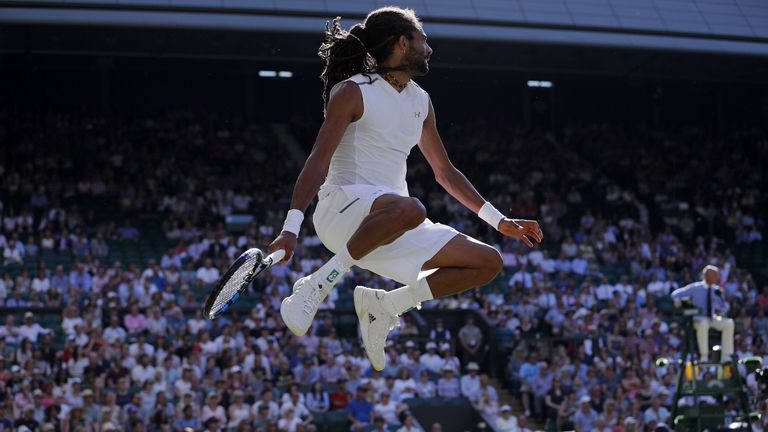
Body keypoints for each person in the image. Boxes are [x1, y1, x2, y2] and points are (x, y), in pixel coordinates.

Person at [269, 5, 542, 371]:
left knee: (488, 262)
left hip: (394, 222)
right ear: (402, 42)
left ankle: (385, 306)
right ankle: (317, 285)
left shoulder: (421, 101)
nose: (429, 48)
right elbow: (317, 161)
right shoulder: (352, 91)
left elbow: (445, 172)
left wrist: (499, 220)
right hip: (342, 212)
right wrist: (290, 228)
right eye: (423, 40)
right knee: (411, 207)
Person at [671, 265, 734, 362]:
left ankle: (726, 356)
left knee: (729, 323)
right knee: (703, 324)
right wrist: (684, 302)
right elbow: (675, 295)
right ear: (707, 276)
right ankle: (704, 356)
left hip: (712, 318)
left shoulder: (716, 290)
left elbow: (724, 306)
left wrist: (721, 310)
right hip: (697, 320)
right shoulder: (695, 287)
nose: (717, 277)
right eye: (715, 275)